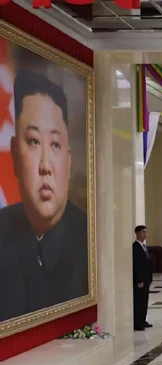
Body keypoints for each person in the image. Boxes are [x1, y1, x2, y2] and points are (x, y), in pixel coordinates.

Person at [0, 71, 87, 322]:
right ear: (15, 155)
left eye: (55, 145)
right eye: (34, 141)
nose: (45, 166)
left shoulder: (89, 240)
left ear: (68, 160)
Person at [132, 225, 153, 331]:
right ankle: (137, 323)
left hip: (146, 279)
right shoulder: (135, 247)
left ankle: (143, 320)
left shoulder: (144, 247)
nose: (145, 234)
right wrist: (139, 280)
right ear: (137, 234)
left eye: (146, 231)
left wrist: (150, 278)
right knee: (139, 302)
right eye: (143, 232)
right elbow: (136, 265)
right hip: (140, 281)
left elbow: (147, 264)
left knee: (144, 301)